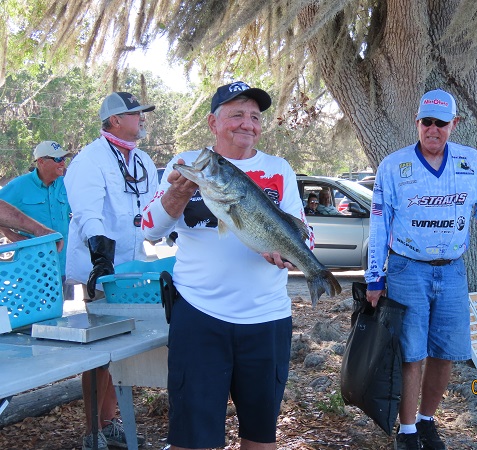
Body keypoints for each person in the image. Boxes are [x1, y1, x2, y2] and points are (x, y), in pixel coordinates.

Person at [141, 81, 310, 450]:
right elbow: (150, 229)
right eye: (236, 115)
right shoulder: (186, 164)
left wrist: (291, 254)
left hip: (267, 318)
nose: (247, 123)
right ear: (213, 123)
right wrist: (178, 192)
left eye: (254, 116)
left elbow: (302, 233)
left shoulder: (278, 168)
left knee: (260, 435)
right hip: (199, 316)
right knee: (192, 439)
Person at [365, 89, 477, 450]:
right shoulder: (393, 166)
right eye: (427, 122)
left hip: (452, 271)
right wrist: (375, 275)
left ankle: (427, 420)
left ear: (454, 124)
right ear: (417, 122)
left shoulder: (471, 163)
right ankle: (407, 430)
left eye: (441, 123)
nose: (433, 129)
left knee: (446, 351)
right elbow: (380, 223)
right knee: (411, 353)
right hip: (407, 269)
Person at [64, 91, 158, 450]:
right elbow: (87, 212)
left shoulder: (142, 159)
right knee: (100, 351)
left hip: (132, 268)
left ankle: (110, 421)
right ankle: (92, 431)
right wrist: (101, 256)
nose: (142, 118)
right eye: (135, 114)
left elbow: (153, 208)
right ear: (115, 120)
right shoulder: (90, 159)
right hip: (100, 269)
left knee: (124, 350)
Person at [0, 141, 71, 284]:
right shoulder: (19, 185)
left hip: (63, 265)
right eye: (57, 158)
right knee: (33, 299)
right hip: (31, 267)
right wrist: (11, 235)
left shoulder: (68, 184)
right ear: (41, 161)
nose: (62, 162)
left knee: (63, 299)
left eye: (64, 158)